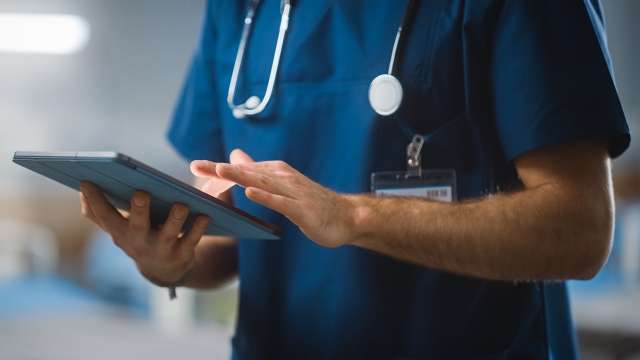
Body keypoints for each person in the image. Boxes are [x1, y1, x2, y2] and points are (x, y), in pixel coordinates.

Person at [79, 0, 631, 358]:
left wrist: (352, 217)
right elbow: (225, 235)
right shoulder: (240, 10)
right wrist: (169, 260)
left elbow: (579, 231)